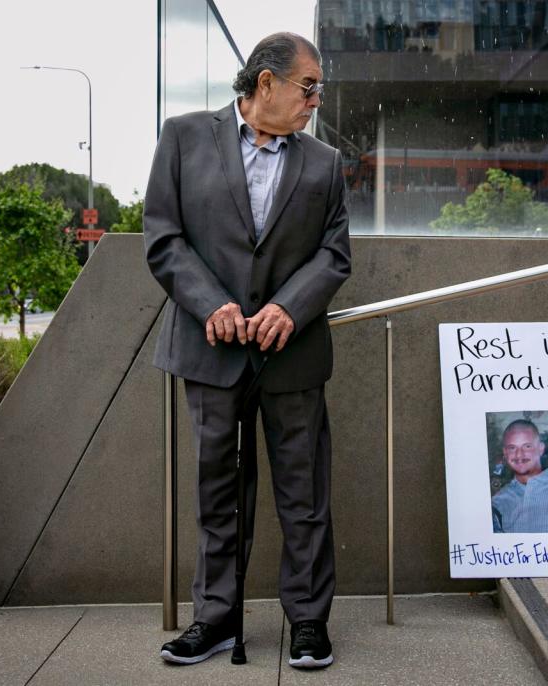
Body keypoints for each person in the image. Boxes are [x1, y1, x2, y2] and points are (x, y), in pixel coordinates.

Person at [143, 32, 351, 670]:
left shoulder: (326, 161)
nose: (316, 99)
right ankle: (215, 621)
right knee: (216, 492)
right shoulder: (182, 137)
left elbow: (335, 253)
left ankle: (309, 623)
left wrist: (290, 304)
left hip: (293, 355)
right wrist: (214, 305)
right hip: (211, 351)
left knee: (304, 494)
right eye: (308, 86)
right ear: (266, 83)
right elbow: (164, 237)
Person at [491, 419, 548, 534]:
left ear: (541, 449)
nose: (519, 454)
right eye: (512, 448)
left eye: (527, 446)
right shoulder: (498, 501)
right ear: (505, 452)